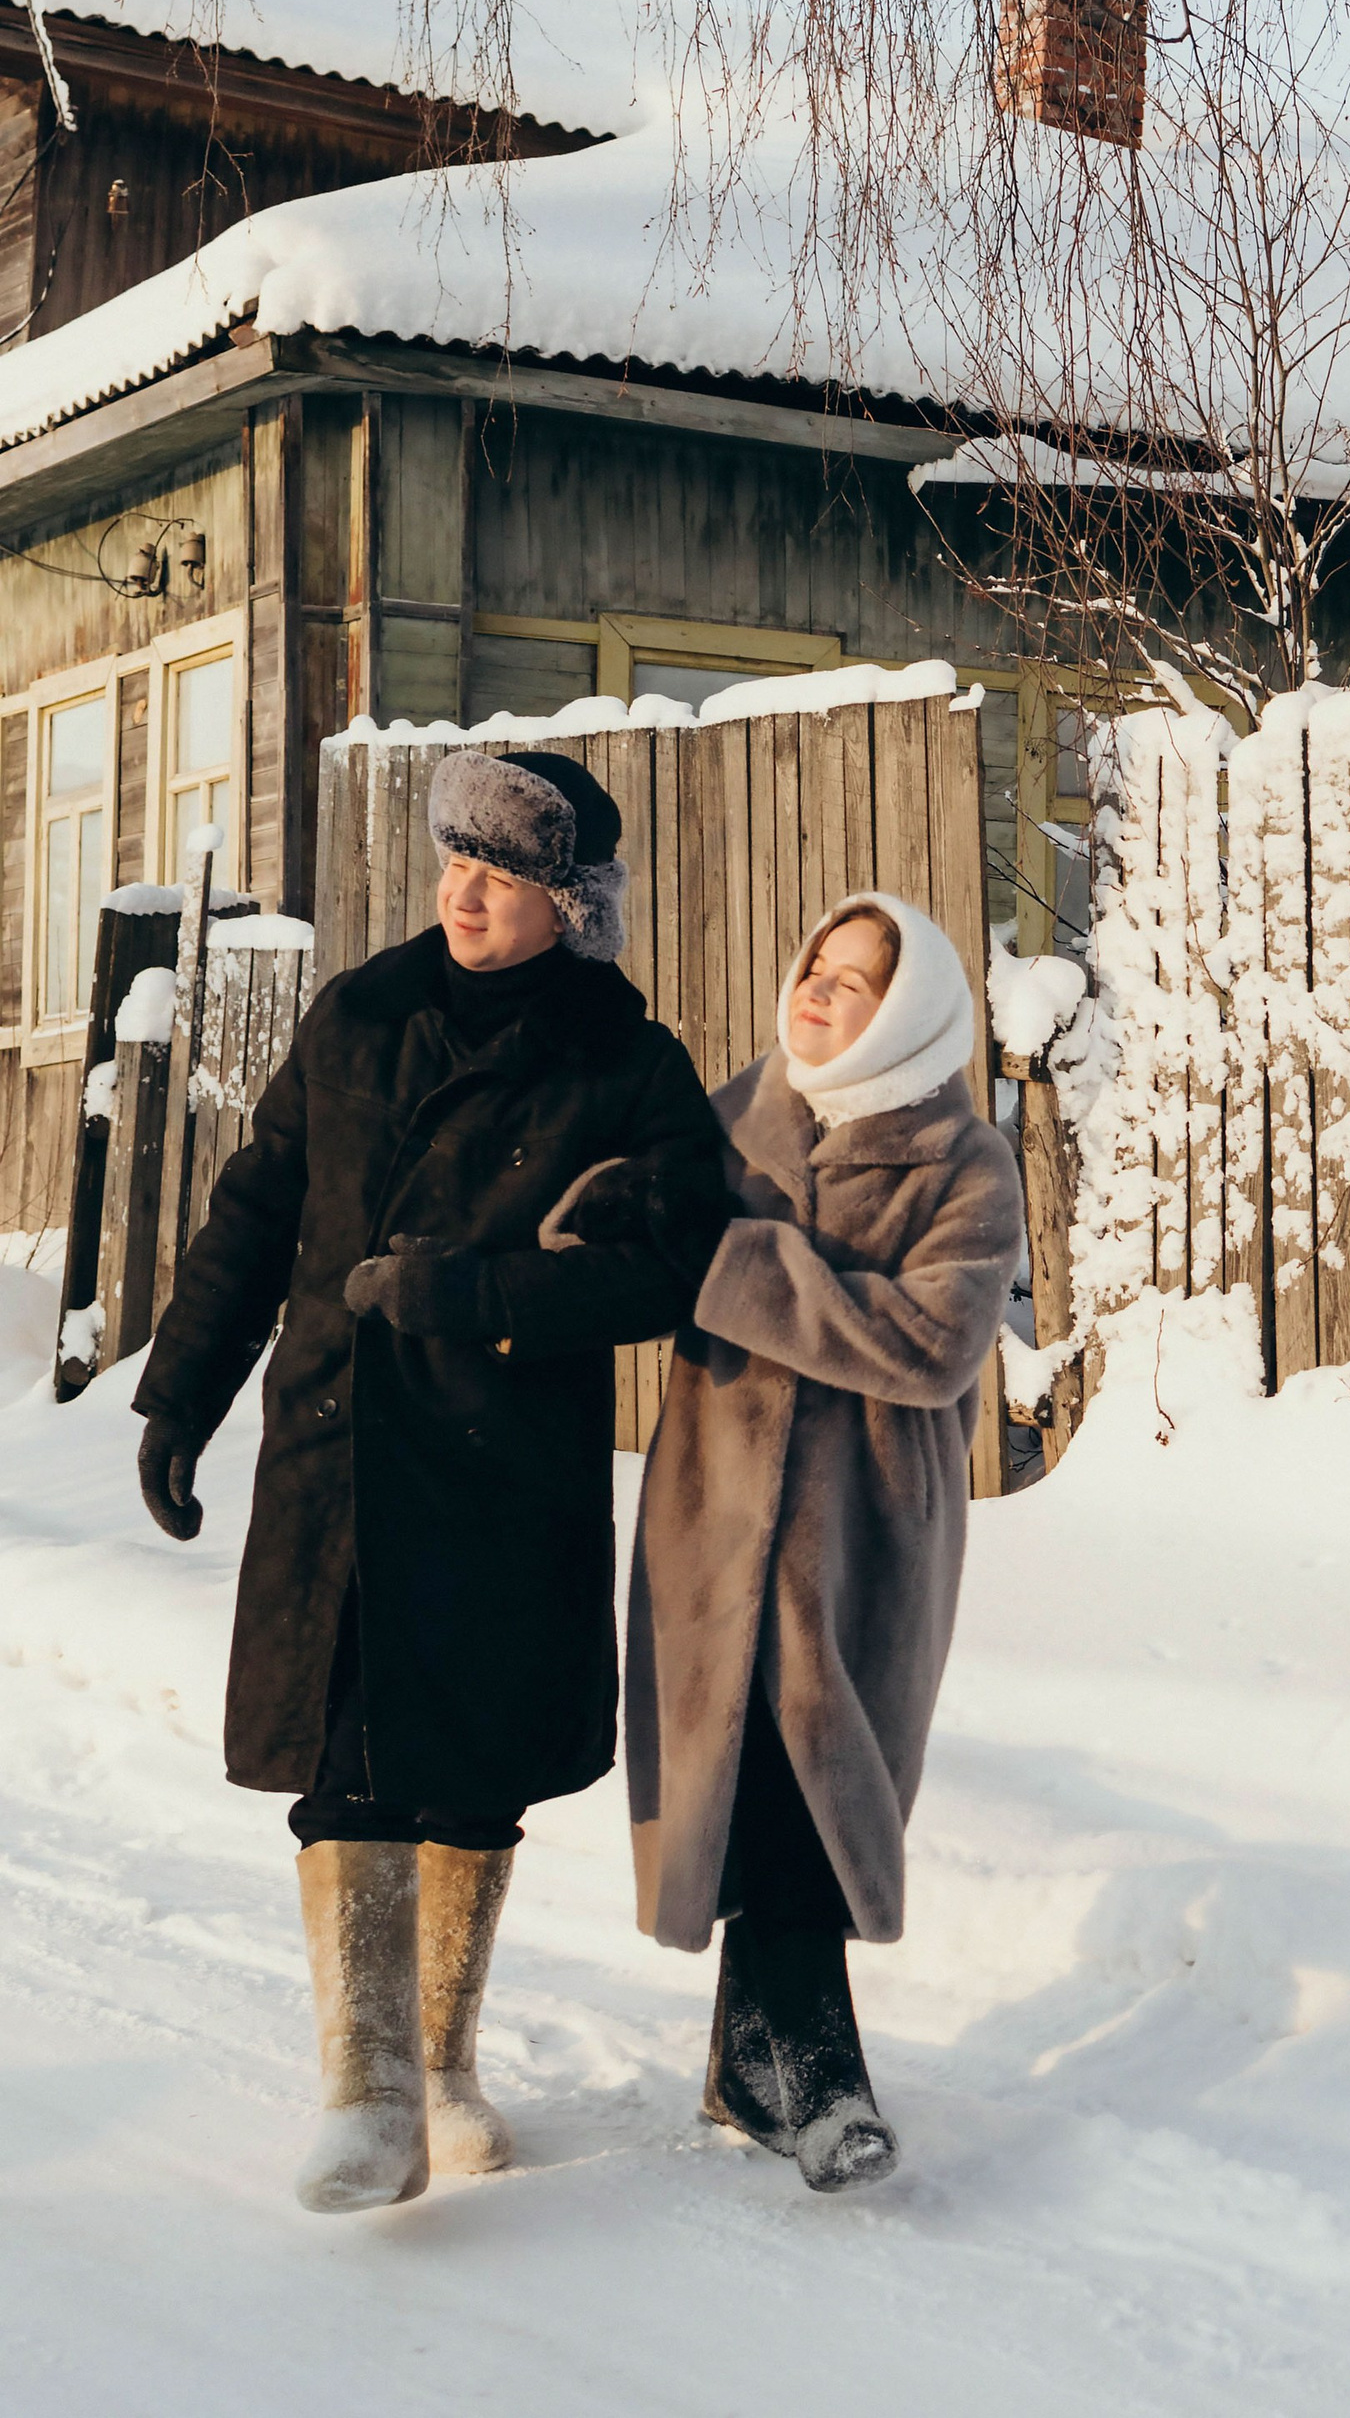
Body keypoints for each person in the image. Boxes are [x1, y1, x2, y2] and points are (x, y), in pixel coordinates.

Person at [132, 745, 728, 2214]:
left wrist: (484, 1294)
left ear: (570, 903)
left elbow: (682, 1260)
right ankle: (370, 2089)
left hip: (497, 1469)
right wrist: (180, 1393)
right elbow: (256, 1207)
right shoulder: (359, 1016)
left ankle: (446, 2063)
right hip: (337, 1453)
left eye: (503, 873)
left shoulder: (624, 1062)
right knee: (343, 1761)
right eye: (454, 861)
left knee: (470, 1776)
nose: (463, 892)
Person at [626, 891, 1022, 2192]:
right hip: (710, 1514)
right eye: (817, 965)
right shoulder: (738, 1114)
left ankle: (822, 2066)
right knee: (739, 1776)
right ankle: (758, 2067)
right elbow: (637, 1232)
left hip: (859, 1533)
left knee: (819, 1771)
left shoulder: (964, 1162)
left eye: (858, 981)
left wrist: (740, 1268)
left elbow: (932, 1341)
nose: (822, 991)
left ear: (905, 1013)